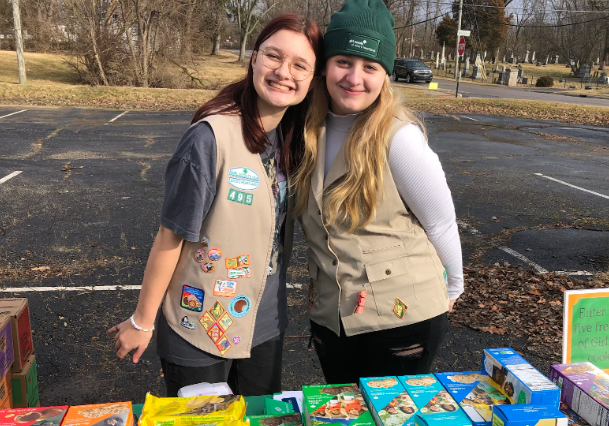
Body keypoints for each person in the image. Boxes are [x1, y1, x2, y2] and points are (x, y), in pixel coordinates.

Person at [108, 15, 323, 396]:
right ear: (254, 58)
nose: (283, 72)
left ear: (311, 78)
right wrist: (142, 320)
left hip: (263, 325)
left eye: (299, 65)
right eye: (273, 56)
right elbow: (170, 237)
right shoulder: (210, 138)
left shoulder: (292, 138)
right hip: (200, 328)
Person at [291, 0, 463, 382]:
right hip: (334, 318)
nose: (355, 78)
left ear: (385, 74)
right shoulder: (306, 129)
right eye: (344, 62)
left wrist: (454, 285)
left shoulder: (398, 137)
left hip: (402, 321)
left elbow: (440, 222)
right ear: (325, 65)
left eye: (370, 66)